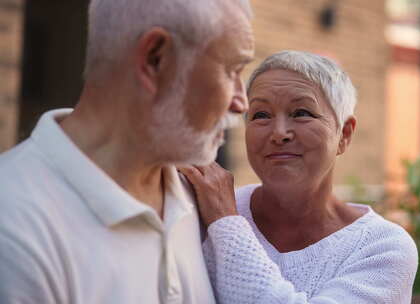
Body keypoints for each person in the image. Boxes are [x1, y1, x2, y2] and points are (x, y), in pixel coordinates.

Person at [0, 0, 254, 303]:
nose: (242, 102)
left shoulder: (202, 198)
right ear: (155, 58)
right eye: (232, 70)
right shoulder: (14, 229)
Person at [180, 51, 418, 304]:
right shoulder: (200, 209)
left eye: (302, 112)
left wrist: (226, 223)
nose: (279, 133)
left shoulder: (383, 247)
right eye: (261, 115)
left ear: (344, 134)